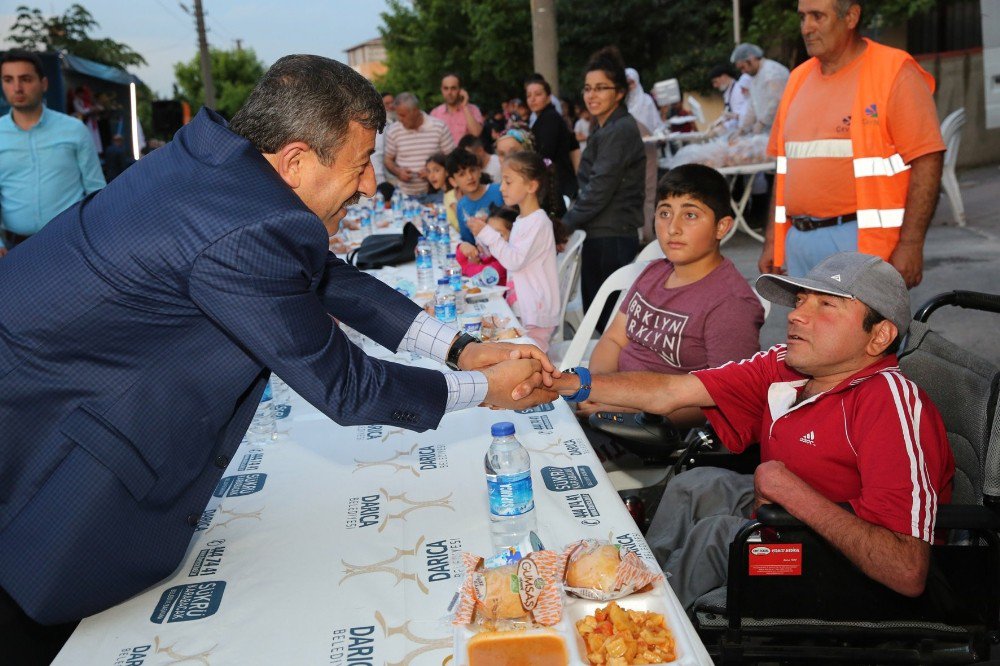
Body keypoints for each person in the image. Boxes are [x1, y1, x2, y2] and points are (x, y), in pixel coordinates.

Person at [0, 55, 559, 656]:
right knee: (38, 614)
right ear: (295, 160)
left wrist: (460, 348)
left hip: (50, 378)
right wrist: (485, 390)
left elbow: (324, 277)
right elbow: (345, 386)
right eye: (359, 165)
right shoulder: (244, 227)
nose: (371, 184)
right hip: (42, 415)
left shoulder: (224, 164)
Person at [552, 251, 953, 610]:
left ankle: (653, 628)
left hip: (850, 570)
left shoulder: (890, 404)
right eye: (800, 301)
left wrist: (787, 490)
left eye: (826, 305)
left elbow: (906, 570)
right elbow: (672, 390)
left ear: (878, 336)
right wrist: (562, 383)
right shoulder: (788, 366)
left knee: (717, 537)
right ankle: (638, 586)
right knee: (696, 485)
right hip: (797, 514)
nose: (796, 315)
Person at [760, 0, 945, 287]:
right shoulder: (797, 79)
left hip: (862, 243)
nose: (806, 28)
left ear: (851, 17)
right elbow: (784, 170)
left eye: (817, 16)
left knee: (867, 332)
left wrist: (910, 244)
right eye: (802, 17)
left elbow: (928, 159)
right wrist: (774, 239)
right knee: (807, 331)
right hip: (799, 241)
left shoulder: (894, 70)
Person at [576, 165, 765, 428]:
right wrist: (599, 388)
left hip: (657, 429)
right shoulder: (654, 272)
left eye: (690, 215)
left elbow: (724, 399)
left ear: (721, 227)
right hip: (608, 405)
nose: (672, 228)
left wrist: (619, 406)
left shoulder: (731, 305)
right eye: (665, 213)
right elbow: (614, 338)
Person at [563, 46, 646, 332]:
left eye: (601, 88)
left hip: (612, 235)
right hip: (600, 232)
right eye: (588, 88)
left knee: (608, 324)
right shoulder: (603, 126)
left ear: (619, 92)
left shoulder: (619, 129)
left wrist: (563, 226)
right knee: (599, 319)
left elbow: (599, 188)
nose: (591, 95)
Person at [0, 51, 106, 256]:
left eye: (26, 79)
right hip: (13, 250)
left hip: (70, 245)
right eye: (8, 80)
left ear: (44, 84)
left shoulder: (74, 130)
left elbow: (96, 190)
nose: (17, 88)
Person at [467, 152, 565, 351]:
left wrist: (487, 233)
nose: (502, 188)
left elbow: (514, 260)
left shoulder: (538, 222)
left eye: (508, 182)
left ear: (531, 186)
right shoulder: (522, 220)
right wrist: (481, 237)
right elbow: (509, 253)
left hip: (536, 310)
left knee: (535, 356)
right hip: (525, 304)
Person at [383, 92, 455, 197]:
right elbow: (388, 160)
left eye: (403, 115)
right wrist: (398, 172)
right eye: (398, 115)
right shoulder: (393, 130)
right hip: (406, 196)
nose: (400, 119)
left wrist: (432, 173)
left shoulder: (439, 127)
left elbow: (452, 159)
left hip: (438, 194)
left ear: (415, 111)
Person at [524, 73, 580, 199]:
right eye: (529, 96)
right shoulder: (544, 118)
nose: (532, 99)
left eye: (538, 94)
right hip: (556, 182)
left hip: (558, 184)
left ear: (548, 97)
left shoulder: (550, 118)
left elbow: (545, 154)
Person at [730, 42, 790, 136]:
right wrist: (742, 129)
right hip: (768, 131)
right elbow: (752, 106)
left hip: (784, 129)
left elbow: (777, 102)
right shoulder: (755, 77)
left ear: (751, 59)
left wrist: (761, 123)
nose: (743, 72)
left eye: (743, 67)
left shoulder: (772, 72)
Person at [447, 147, 505, 244]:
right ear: (453, 181)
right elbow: (468, 241)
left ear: (479, 171)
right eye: (462, 174)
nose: (470, 177)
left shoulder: (499, 190)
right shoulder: (461, 206)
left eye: (472, 170)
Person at [456, 206, 512, 286]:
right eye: (489, 232)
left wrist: (470, 264)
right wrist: (462, 247)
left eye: (499, 235)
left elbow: (475, 273)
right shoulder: (486, 256)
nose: (491, 238)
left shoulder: (503, 263)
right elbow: (456, 264)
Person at [430, 72, 484, 145]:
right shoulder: (435, 113)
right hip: (444, 155)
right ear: (441, 90)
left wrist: (465, 106)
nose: (449, 92)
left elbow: (476, 133)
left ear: (460, 90)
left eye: (453, 88)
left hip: (466, 155)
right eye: (446, 88)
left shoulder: (473, 109)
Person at [708, 64, 750, 133]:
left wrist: (724, 126)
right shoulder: (728, 92)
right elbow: (728, 115)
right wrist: (716, 123)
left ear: (724, 77)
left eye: (715, 81)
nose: (715, 86)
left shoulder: (738, 90)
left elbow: (739, 118)